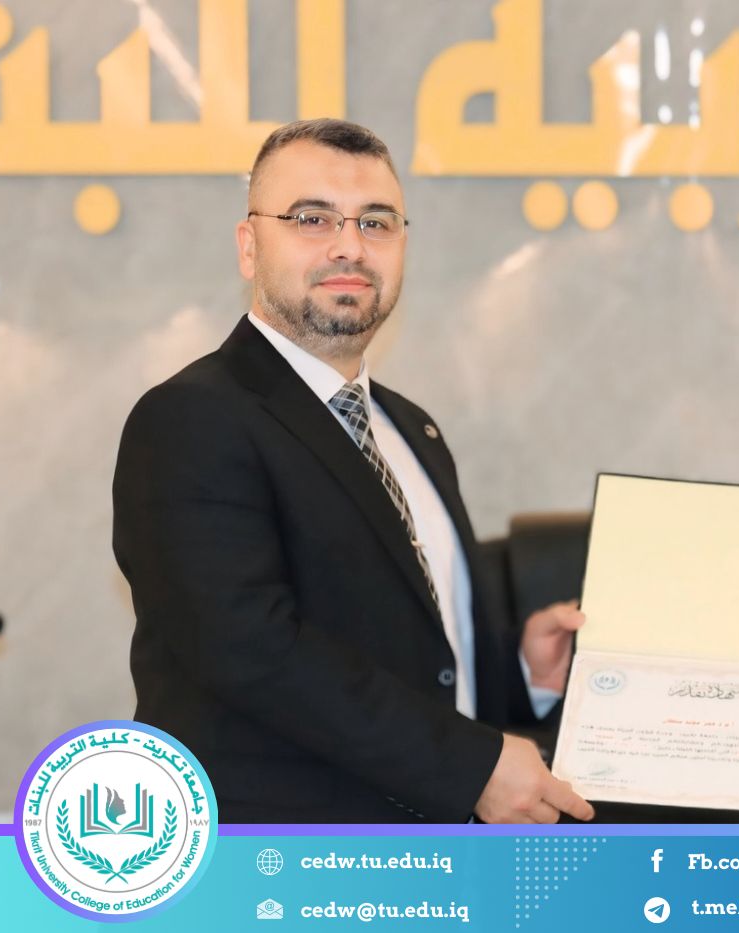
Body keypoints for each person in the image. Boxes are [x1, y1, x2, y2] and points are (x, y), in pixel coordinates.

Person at [112, 118, 594, 824]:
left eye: (376, 222)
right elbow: (250, 651)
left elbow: (419, 657)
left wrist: (520, 672)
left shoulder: (412, 430)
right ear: (249, 246)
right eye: (312, 218)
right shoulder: (190, 418)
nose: (349, 245)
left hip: (426, 859)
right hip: (276, 861)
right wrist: (468, 766)